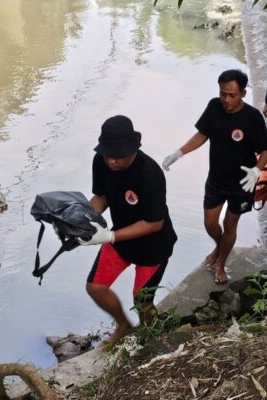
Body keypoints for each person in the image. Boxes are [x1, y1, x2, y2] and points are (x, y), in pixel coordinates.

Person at [162, 69, 267, 284]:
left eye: (232, 95)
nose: (226, 100)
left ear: (243, 94)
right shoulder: (214, 106)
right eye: (223, 94)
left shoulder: (252, 117)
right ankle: (220, 246)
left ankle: (221, 262)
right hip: (217, 179)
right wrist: (179, 153)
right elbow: (203, 134)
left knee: (231, 225)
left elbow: (266, 150)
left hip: (243, 182)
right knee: (210, 224)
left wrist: (257, 169)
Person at [78, 115, 177, 347]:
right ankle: (123, 325)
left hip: (154, 246)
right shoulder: (100, 161)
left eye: (118, 156)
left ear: (132, 149)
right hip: (121, 239)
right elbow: (101, 197)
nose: (112, 161)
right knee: (95, 287)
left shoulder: (149, 173)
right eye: (107, 154)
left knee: (142, 300)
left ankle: (151, 339)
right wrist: (86, 220)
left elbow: (155, 223)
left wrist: (110, 236)